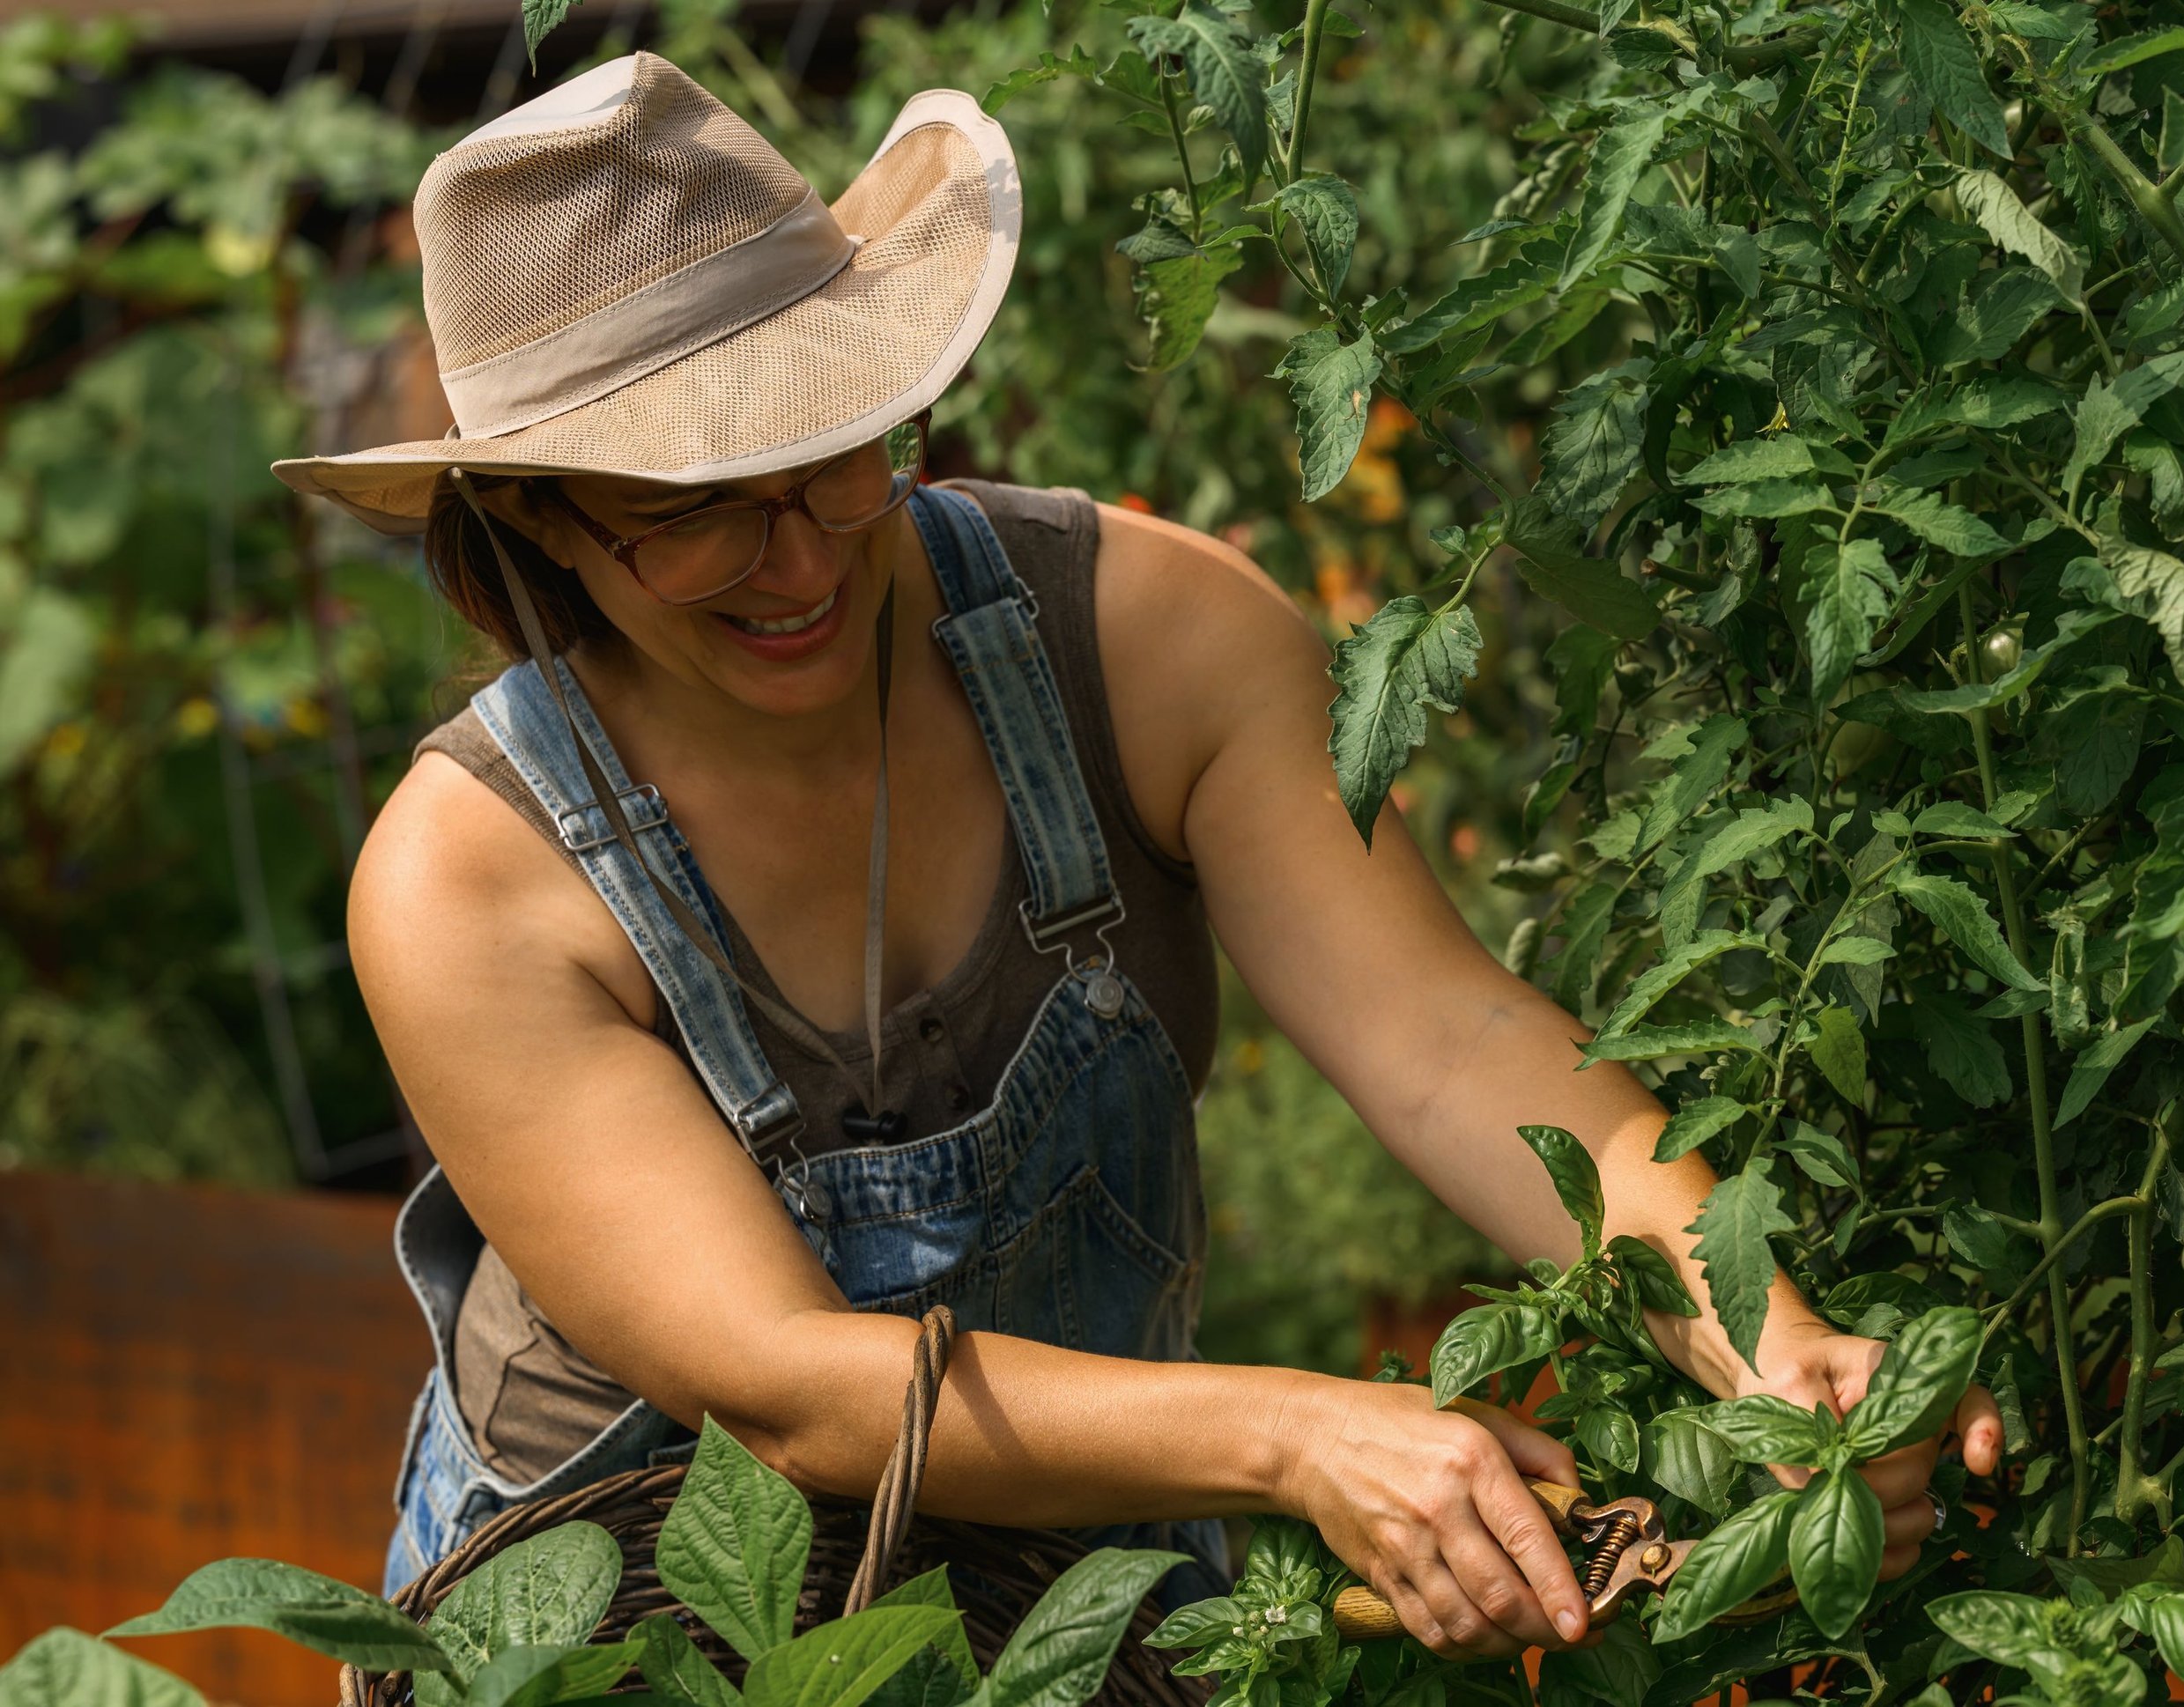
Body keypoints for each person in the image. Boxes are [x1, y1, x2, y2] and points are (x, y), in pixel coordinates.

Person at [278, 52, 2002, 1653]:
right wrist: (1296, 1434)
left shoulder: (1144, 641)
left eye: (838, 460)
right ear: (538, 519)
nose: (797, 562)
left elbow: (1445, 1044)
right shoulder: (474, 881)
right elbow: (786, 1387)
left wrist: (1752, 1324)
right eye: (693, 516)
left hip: (1074, 1593)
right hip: (632, 1629)